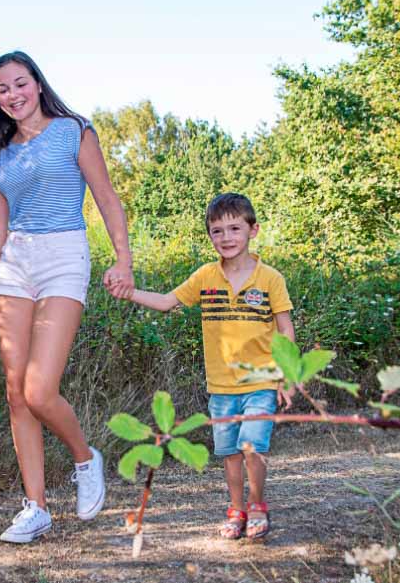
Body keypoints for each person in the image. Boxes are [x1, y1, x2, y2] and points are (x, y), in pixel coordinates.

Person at [0, 51, 134, 543]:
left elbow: (105, 197)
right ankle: (35, 507)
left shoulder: (74, 130)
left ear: (37, 83)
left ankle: (85, 457)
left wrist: (122, 260)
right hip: (16, 265)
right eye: (2, 89)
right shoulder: (0, 152)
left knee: (40, 389)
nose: (12, 95)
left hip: (64, 254)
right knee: (16, 393)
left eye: (20, 83)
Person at [116, 192, 294, 540]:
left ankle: (258, 506)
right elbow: (168, 302)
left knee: (252, 446)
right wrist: (130, 292)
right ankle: (236, 509)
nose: (226, 238)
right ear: (210, 235)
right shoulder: (205, 276)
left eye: (234, 228)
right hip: (221, 387)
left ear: (253, 230)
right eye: (217, 231)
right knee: (229, 453)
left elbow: (285, 328)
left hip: (262, 381)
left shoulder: (270, 278)